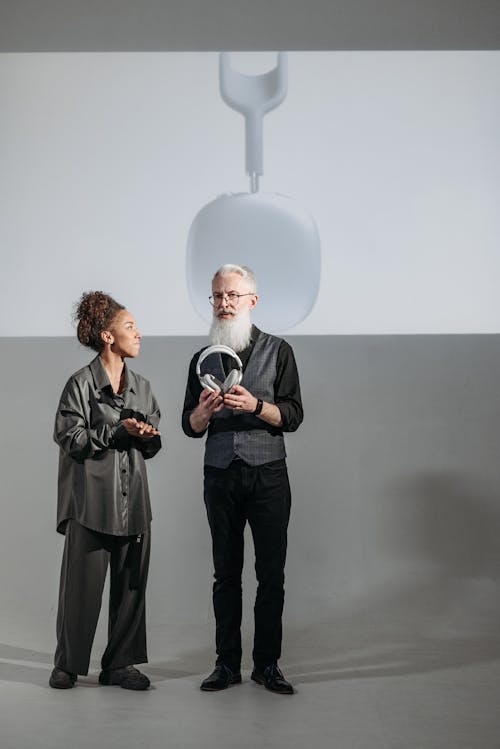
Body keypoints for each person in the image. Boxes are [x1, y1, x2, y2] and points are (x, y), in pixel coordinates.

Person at [182, 264, 303, 695]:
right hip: (219, 476)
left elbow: (292, 415)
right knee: (224, 574)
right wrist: (203, 413)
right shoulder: (202, 359)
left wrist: (255, 405)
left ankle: (267, 665)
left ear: (252, 301)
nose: (224, 304)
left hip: (268, 474)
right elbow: (189, 426)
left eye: (232, 296)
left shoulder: (279, 351)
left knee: (271, 574)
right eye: (217, 296)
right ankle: (226, 664)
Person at [49, 291, 161, 690]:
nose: (139, 334)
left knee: (131, 588)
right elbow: (70, 437)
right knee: (80, 590)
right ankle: (67, 664)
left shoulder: (143, 387)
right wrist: (118, 430)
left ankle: (120, 665)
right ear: (108, 336)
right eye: (130, 327)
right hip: (91, 504)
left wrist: (147, 435)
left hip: (134, 504)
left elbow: (152, 442)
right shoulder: (79, 384)